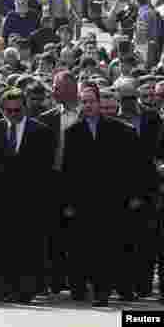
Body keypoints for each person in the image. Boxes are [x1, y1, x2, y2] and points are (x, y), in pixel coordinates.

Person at [61, 82, 142, 307]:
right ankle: (90, 288)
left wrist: (134, 194)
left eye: (91, 101)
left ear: (99, 103)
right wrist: (67, 202)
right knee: (88, 247)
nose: (87, 105)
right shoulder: (73, 132)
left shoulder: (119, 129)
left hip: (113, 200)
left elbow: (132, 167)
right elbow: (68, 170)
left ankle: (103, 292)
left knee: (109, 247)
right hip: (84, 202)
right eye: (83, 102)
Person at [0, 87, 53, 302]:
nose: (13, 114)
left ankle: (26, 289)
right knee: (4, 244)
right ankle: (7, 287)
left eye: (17, 110)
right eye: (9, 111)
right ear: (2, 109)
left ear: (24, 107)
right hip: (2, 197)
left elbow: (46, 168)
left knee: (28, 245)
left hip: (30, 198)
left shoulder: (40, 130)